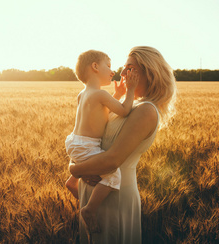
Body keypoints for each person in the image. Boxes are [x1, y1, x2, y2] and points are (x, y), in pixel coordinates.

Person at [68, 46, 177, 243]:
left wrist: (74, 170)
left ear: (149, 72)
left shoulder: (146, 110)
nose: (123, 72)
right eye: (124, 67)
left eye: (130, 68)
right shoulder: (131, 104)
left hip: (115, 199)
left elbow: (113, 159)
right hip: (96, 192)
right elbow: (93, 133)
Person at [65, 50, 139, 234]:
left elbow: (102, 112)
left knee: (92, 168)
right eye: (109, 65)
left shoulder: (84, 94)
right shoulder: (100, 94)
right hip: (87, 145)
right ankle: (89, 209)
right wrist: (129, 90)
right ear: (95, 67)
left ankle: (73, 183)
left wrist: (117, 93)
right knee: (113, 175)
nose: (113, 71)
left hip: (75, 142)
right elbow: (123, 111)